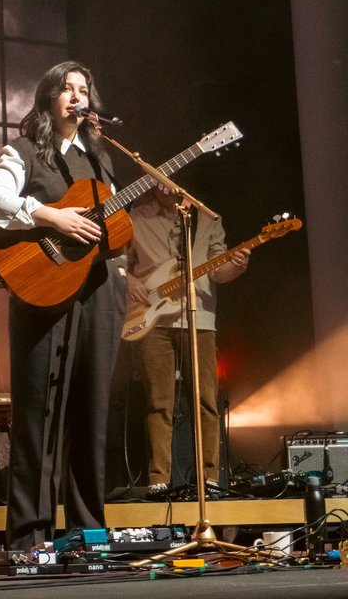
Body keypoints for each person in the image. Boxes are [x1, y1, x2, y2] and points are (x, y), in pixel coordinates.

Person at [0, 60, 126, 550]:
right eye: (67, 88)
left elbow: (115, 229)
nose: (77, 96)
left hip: (99, 290)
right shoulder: (22, 151)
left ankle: (87, 533)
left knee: (91, 413)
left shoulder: (101, 158)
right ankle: (28, 538)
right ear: (48, 98)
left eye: (84, 89)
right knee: (39, 413)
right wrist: (51, 217)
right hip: (41, 288)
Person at [123, 186, 250, 495]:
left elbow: (218, 270)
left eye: (171, 181)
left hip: (200, 318)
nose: (165, 187)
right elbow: (117, 262)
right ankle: (158, 480)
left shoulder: (206, 217)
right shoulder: (135, 217)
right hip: (150, 319)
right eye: (159, 180)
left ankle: (209, 478)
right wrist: (130, 280)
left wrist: (236, 266)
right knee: (159, 403)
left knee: (206, 400)